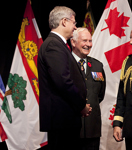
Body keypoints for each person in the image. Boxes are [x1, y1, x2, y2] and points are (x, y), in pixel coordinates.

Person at [38, 6, 92, 150]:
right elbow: (63, 81)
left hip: (65, 118)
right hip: (62, 119)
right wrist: (81, 106)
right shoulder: (53, 45)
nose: (75, 27)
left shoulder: (58, 44)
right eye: (74, 23)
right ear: (64, 22)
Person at [70, 27, 106, 150]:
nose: (88, 44)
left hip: (92, 128)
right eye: (84, 41)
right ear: (73, 42)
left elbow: (100, 95)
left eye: (90, 41)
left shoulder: (97, 65)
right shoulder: (65, 63)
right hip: (70, 128)